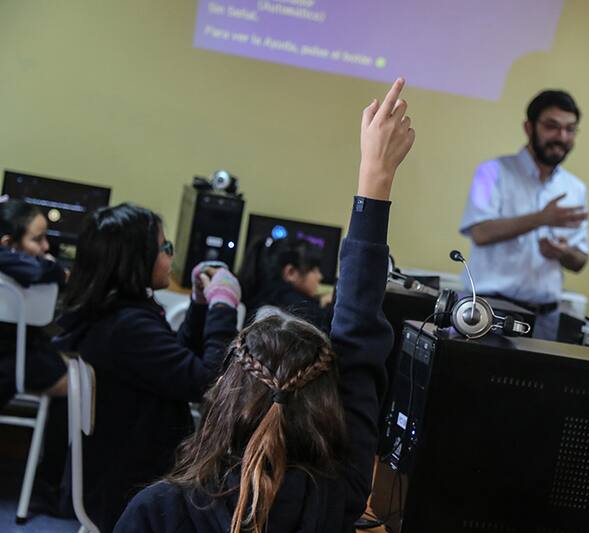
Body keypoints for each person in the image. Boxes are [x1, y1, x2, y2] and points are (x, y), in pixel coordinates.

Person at [114, 78, 415, 533]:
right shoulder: (340, 496)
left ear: (223, 397)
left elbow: (357, 344)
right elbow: (359, 340)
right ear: (327, 409)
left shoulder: (158, 510)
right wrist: (375, 178)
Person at [52, 203, 241, 532]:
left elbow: (176, 364)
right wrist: (223, 306)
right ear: (136, 260)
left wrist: (199, 305)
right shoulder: (127, 327)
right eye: (165, 248)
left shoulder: (117, 313)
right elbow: (208, 382)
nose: (171, 255)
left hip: (122, 474)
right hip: (138, 489)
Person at [459, 90, 589, 340]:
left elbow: (580, 260)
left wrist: (564, 252)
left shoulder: (576, 188)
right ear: (529, 128)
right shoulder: (490, 172)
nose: (562, 137)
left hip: (546, 319)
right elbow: (480, 232)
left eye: (570, 129)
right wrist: (542, 218)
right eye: (552, 126)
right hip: (489, 313)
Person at [0, 197, 68, 406]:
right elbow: (36, 270)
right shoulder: (21, 264)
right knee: (79, 383)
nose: (46, 246)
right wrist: (58, 271)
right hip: (13, 356)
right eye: (38, 239)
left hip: (17, 350)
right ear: (8, 244)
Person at [239, 236, 332, 331]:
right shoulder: (301, 310)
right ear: (290, 272)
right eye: (314, 270)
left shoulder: (264, 297)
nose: (320, 276)